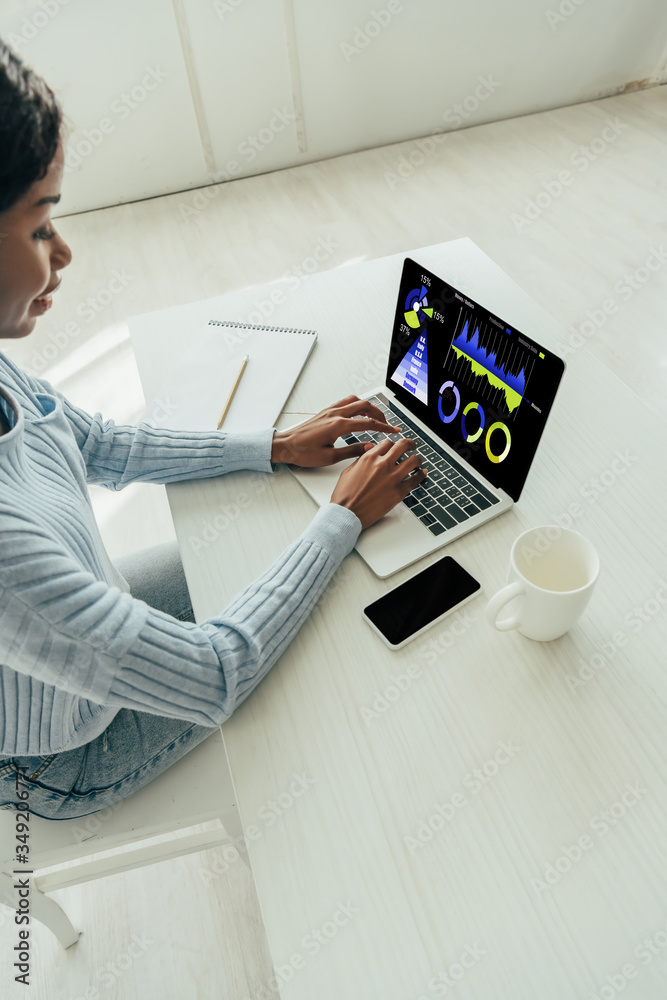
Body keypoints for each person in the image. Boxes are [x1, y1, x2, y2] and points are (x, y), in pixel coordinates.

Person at [0, 41, 427, 819]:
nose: (63, 252)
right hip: (62, 754)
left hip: (82, 629)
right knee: (332, 632)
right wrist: (340, 518)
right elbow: (212, 676)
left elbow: (96, 443)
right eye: (38, 227)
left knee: (282, 563)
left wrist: (271, 446)